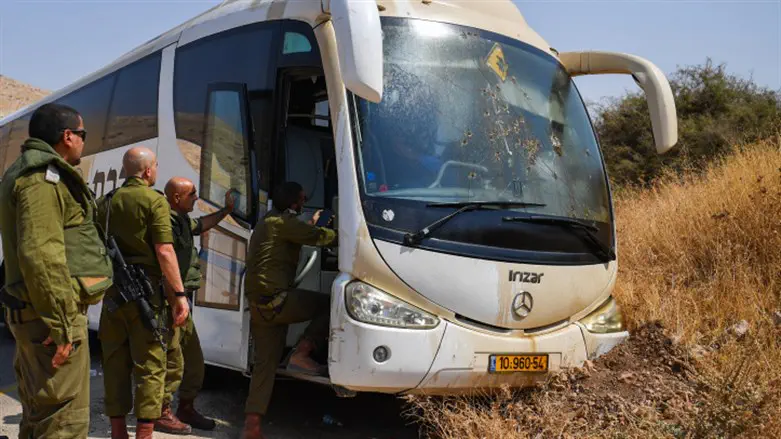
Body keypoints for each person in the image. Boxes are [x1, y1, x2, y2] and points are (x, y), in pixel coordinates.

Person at [0, 103, 113, 438]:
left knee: (42, 415)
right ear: (67, 136)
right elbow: (42, 255)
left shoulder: (30, 174)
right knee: (63, 421)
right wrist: (62, 323)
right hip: (49, 320)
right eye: (82, 135)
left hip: (39, 314)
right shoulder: (42, 180)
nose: (83, 142)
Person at [97, 146, 189, 439]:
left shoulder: (106, 203)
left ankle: (118, 432)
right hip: (146, 295)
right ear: (148, 171)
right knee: (150, 363)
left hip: (114, 293)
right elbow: (164, 249)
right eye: (156, 167)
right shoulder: (154, 201)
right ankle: (145, 434)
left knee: (114, 362)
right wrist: (179, 295)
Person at [241, 181, 337, 439]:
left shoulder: (269, 222)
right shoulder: (284, 224)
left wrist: (311, 224)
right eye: (303, 200)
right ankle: (301, 355)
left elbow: (298, 233)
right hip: (278, 302)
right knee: (331, 305)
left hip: (259, 306)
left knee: (264, 365)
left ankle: (252, 427)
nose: (304, 204)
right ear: (295, 203)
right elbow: (324, 238)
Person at [155, 177, 235, 433]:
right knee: (173, 361)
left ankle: (185, 408)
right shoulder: (165, 221)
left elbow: (202, 225)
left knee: (195, 361)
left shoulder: (181, 221)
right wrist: (176, 297)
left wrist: (227, 211)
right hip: (169, 300)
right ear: (177, 198)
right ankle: (160, 412)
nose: (196, 198)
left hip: (181, 300)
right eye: (192, 194)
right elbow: (164, 257)